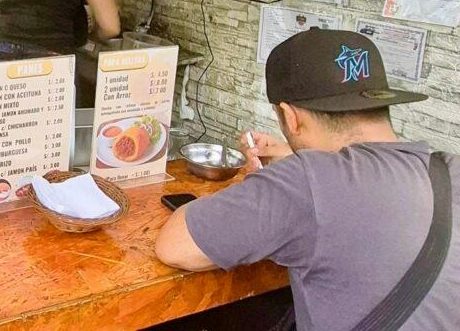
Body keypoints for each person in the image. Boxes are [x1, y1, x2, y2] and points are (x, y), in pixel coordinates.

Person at [155, 29, 458, 331]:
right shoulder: (449, 170)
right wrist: (290, 156)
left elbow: (176, 245)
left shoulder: (307, 182)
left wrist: (284, 177)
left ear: (290, 116)